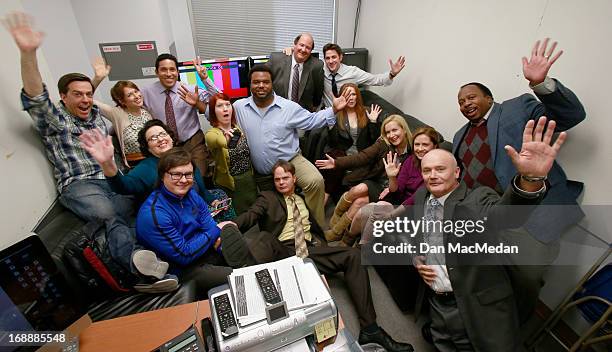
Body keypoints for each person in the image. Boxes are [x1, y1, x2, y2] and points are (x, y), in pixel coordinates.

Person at [4, 11, 173, 292]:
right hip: (81, 185)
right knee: (107, 214)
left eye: (88, 94)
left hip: (111, 178)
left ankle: (152, 259)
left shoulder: (93, 111)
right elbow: (36, 98)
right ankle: (135, 270)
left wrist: (96, 79)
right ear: (62, 97)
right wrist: (28, 53)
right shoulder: (55, 121)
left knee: (137, 206)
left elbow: (86, 97)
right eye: (77, 95)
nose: (85, 99)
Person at [396, 117, 566, 352]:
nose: (432, 175)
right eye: (426, 170)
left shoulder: (477, 198)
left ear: (456, 172)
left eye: (440, 169)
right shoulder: (424, 196)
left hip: (474, 307)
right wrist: (416, 257)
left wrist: (530, 180)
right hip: (436, 305)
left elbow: (505, 216)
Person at [453, 38, 586, 322]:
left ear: (489, 98)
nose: (466, 103)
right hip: (490, 215)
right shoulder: (458, 137)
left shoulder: (518, 108)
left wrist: (542, 85)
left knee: (526, 279)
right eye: (461, 102)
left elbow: (571, 115)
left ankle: (519, 328)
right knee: (491, 277)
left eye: (472, 97)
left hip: (532, 212)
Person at [233, 160, 414, 352]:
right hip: (282, 250)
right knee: (262, 239)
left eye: (285, 177)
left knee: (353, 255)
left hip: (308, 249)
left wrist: (324, 246)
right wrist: (232, 226)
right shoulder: (267, 197)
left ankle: (370, 329)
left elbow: (315, 229)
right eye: (277, 179)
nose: (281, 182)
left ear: (294, 178)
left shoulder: (301, 199)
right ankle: (247, 283)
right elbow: (252, 214)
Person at [233, 65, 349, 228]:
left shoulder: (288, 107)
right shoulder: (239, 107)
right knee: (272, 213)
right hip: (262, 171)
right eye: (256, 82)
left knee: (315, 181)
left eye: (265, 82)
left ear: (272, 83)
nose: (261, 86)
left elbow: (311, 120)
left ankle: (315, 228)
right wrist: (199, 104)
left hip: (291, 160)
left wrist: (334, 109)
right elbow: (217, 113)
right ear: (250, 84)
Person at [135, 148, 255, 295]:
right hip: (183, 269)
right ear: (162, 176)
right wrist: (217, 230)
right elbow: (184, 255)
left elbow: (207, 221)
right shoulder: (154, 215)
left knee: (256, 251)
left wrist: (216, 238)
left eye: (188, 174)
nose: (184, 180)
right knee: (241, 279)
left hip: (205, 250)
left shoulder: (190, 194)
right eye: (176, 175)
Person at [80, 119, 236, 221]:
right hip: (175, 218)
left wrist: (212, 201)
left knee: (222, 196)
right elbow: (122, 186)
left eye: (163, 134)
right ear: (147, 147)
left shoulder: (184, 157)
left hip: (197, 207)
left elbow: (201, 189)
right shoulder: (145, 168)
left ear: (170, 136)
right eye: (153, 138)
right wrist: (107, 164)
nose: (160, 139)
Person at [315, 115, 411, 242]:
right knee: (359, 190)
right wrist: (337, 163)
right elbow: (363, 156)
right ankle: (337, 221)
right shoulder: (384, 144)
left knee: (361, 201)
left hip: (393, 191)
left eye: (395, 130)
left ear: (404, 129)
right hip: (378, 183)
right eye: (388, 132)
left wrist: (392, 185)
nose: (391, 135)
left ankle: (338, 233)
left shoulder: (413, 150)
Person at [349, 126, 442, 246]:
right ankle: (348, 239)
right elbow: (397, 190)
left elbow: (415, 199)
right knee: (365, 211)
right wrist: (392, 177)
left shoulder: (437, 169)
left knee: (379, 208)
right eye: (417, 144)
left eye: (425, 145)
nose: (420, 149)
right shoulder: (410, 161)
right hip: (398, 203)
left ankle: (361, 248)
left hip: (415, 212)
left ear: (434, 146)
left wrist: (391, 215)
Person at [140, 54, 219, 177]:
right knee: (173, 180)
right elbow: (130, 109)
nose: (168, 73)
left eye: (172, 69)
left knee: (197, 177)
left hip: (193, 142)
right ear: (156, 72)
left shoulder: (189, 88)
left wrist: (205, 79)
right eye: (163, 69)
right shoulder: (146, 92)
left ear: (177, 72)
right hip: (165, 145)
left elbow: (218, 99)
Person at [321, 83, 382, 202]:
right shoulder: (337, 114)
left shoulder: (367, 112)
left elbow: (374, 141)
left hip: (362, 156)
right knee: (336, 157)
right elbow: (334, 142)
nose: (351, 97)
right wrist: (331, 123)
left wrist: (373, 122)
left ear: (357, 96)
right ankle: (327, 195)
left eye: (353, 94)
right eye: (347, 95)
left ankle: (330, 193)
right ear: (342, 97)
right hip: (344, 154)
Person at [90, 58, 152, 168]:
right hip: (135, 165)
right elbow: (88, 99)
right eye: (130, 95)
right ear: (121, 101)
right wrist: (97, 79)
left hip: (154, 159)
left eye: (136, 91)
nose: (136, 96)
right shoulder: (117, 113)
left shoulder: (146, 112)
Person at [205, 93, 257, 215]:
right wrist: (227, 140)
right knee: (238, 217)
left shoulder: (237, 128)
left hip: (249, 180)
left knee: (254, 213)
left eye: (228, 105)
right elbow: (220, 142)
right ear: (213, 112)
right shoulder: (211, 134)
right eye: (219, 106)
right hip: (232, 184)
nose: (225, 108)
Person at [321, 43, 405, 107]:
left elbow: (375, 79)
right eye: (327, 58)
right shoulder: (320, 71)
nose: (331, 61)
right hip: (329, 115)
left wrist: (392, 74)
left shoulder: (353, 72)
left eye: (334, 57)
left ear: (340, 57)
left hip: (346, 116)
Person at [268, 33, 324, 111]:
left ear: (311, 51)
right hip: (278, 111)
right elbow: (263, 81)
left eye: (308, 47)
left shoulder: (317, 66)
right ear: (295, 44)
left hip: (302, 114)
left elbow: (318, 93)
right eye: (301, 45)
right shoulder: (276, 59)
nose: (303, 50)